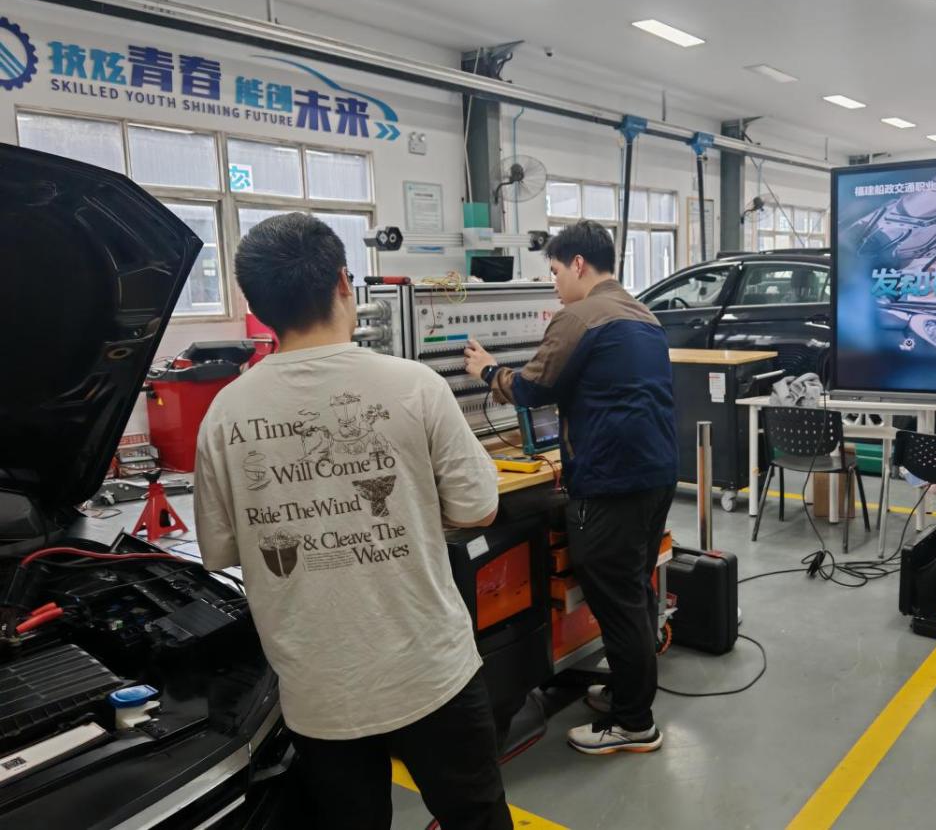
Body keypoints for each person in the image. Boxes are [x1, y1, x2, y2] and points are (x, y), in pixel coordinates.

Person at [194, 213, 512, 830]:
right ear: (344, 282)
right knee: (476, 817)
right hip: (431, 671)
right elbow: (479, 507)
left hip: (320, 690)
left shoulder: (224, 414)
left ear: (254, 306)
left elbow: (221, 549)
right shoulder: (414, 386)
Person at [463, 220, 678, 756]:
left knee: (617, 601)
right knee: (635, 590)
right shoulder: (643, 314)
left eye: (556, 272)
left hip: (611, 482)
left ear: (578, 264)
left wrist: (488, 370)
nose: (555, 284)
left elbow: (532, 388)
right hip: (655, 474)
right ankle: (629, 694)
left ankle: (634, 723)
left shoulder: (578, 317)